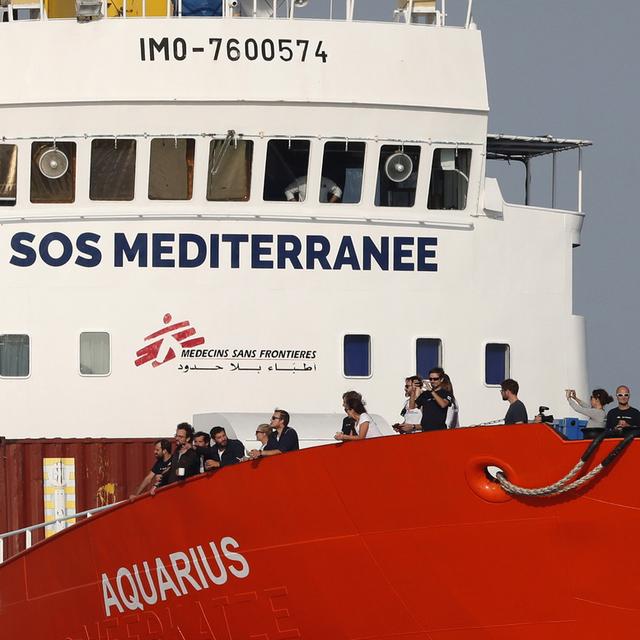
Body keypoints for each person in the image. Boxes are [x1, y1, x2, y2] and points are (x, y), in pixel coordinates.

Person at [408, 367, 452, 432]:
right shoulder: (426, 394)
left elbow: (443, 404)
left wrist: (431, 391)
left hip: (439, 430)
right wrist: (413, 391)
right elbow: (412, 407)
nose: (432, 381)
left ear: (441, 379)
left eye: (435, 379)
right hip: (425, 430)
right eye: (430, 379)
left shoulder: (446, 393)